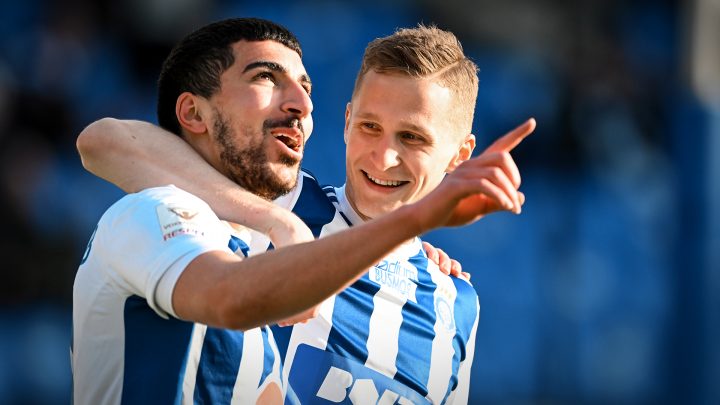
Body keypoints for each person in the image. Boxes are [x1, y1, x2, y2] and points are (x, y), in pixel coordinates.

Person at [76, 20, 533, 403]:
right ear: (348, 119)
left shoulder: (455, 303)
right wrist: (281, 222)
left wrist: (410, 229)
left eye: (411, 138)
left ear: (460, 154)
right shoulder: (275, 200)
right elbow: (110, 142)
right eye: (370, 127)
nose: (383, 157)